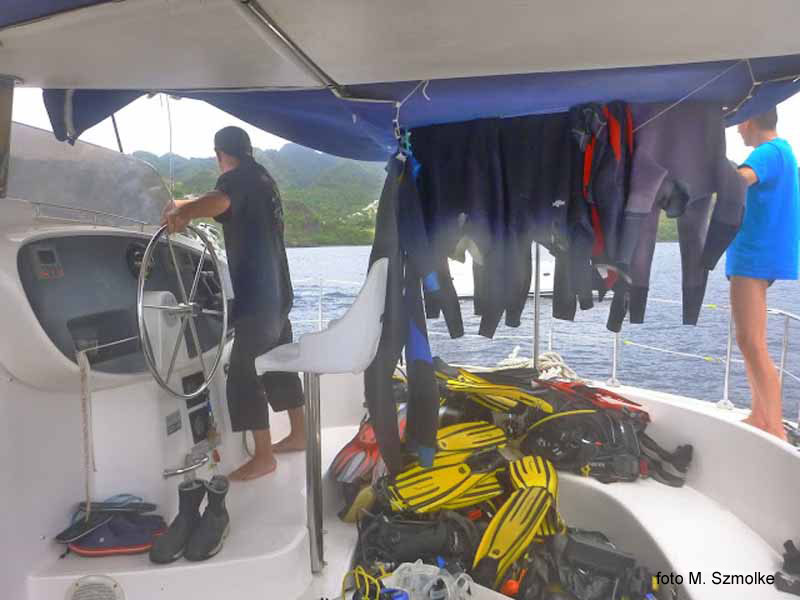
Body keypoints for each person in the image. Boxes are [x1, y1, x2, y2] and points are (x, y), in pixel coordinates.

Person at [163, 126, 306, 480]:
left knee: (244, 372)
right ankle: (300, 433)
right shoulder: (263, 178)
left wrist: (185, 212)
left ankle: (264, 457)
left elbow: (220, 201)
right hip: (280, 294)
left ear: (219, 154)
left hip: (257, 296)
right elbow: (221, 200)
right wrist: (187, 205)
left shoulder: (237, 179)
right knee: (279, 363)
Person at [727, 108, 799, 442]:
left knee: (751, 342)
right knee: (750, 341)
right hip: (761, 253)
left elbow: (741, 179)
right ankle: (760, 416)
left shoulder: (767, 151)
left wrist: (711, 168)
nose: (737, 131)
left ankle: (775, 427)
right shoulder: (783, 151)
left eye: (738, 124)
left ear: (749, 121)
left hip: (753, 255)